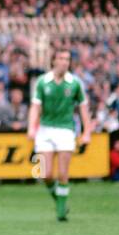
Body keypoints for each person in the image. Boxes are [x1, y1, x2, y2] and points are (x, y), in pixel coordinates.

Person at [27, 48, 92, 221]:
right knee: (44, 173)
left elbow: (83, 109)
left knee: (63, 174)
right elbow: (35, 107)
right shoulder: (42, 82)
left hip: (65, 130)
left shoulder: (75, 83)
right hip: (45, 129)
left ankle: (61, 212)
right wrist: (31, 128)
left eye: (67, 59)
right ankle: (59, 201)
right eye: (61, 58)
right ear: (53, 60)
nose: (64, 62)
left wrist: (87, 132)